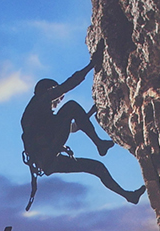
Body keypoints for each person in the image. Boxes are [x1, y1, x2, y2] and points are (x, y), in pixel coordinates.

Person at [19, 44, 146, 206]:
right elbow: (69, 85)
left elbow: (73, 128)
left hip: (49, 161)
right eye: (58, 96)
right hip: (48, 153)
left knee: (97, 167)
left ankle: (129, 195)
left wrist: (92, 112)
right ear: (49, 91)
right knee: (71, 106)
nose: (59, 100)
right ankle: (99, 144)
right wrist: (91, 65)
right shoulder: (38, 101)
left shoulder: (42, 116)